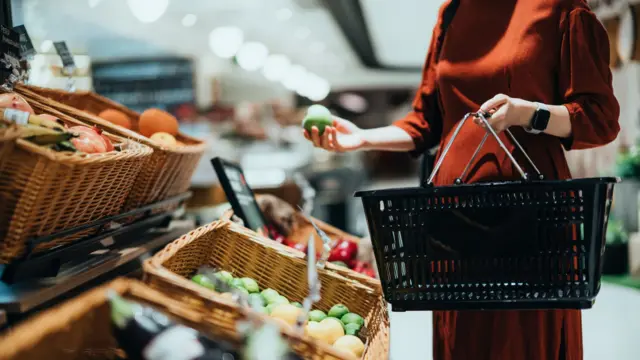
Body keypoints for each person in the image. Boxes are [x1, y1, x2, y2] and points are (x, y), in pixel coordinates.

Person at [304, 0, 620, 359]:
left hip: (530, 215)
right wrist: (361, 138)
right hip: (453, 218)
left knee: (524, 338)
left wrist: (528, 113)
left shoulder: (559, 9)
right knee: (463, 339)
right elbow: (425, 123)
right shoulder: (452, 12)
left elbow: (600, 118)